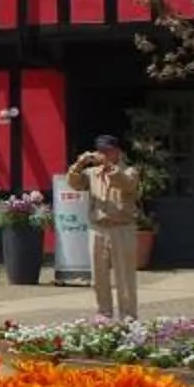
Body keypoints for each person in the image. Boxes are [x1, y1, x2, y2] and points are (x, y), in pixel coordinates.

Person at [71, 133, 144, 319]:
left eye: (107, 151)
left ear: (117, 151)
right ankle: (104, 314)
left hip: (122, 228)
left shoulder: (129, 171)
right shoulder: (91, 174)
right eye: (100, 151)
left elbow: (126, 184)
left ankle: (128, 315)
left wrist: (109, 167)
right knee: (99, 276)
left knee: (124, 276)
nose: (103, 154)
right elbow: (74, 183)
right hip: (98, 228)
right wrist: (80, 164)